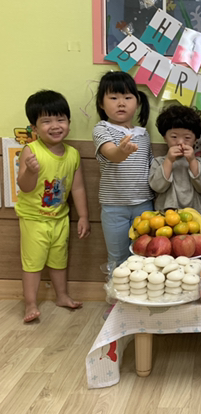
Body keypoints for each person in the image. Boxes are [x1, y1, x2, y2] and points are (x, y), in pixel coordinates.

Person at [16, 90, 90, 322]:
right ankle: (30, 304)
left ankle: (62, 296)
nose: (55, 126)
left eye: (60, 119)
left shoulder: (73, 154)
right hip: (34, 219)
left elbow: (78, 188)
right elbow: (25, 187)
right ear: (34, 128)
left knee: (59, 260)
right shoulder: (31, 151)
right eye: (46, 121)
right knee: (33, 263)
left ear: (69, 122)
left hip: (60, 218)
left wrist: (84, 216)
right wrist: (30, 171)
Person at [93, 71, 154, 266]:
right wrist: (122, 151)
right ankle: (115, 287)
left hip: (144, 205)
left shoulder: (143, 134)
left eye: (127, 97)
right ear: (101, 103)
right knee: (118, 258)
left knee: (144, 257)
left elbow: (151, 166)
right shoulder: (102, 129)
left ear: (137, 102)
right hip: (114, 207)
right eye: (113, 98)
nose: (121, 103)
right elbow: (112, 154)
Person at [150, 105, 201, 216]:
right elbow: (157, 187)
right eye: (174, 137)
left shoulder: (198, 162)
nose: (180, 142)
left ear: (195, 139)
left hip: (194, 216)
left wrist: (192, 161)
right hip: (165, 216)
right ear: (165, 137)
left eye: (187, 138)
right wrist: (169, 160)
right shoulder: (159, 162)